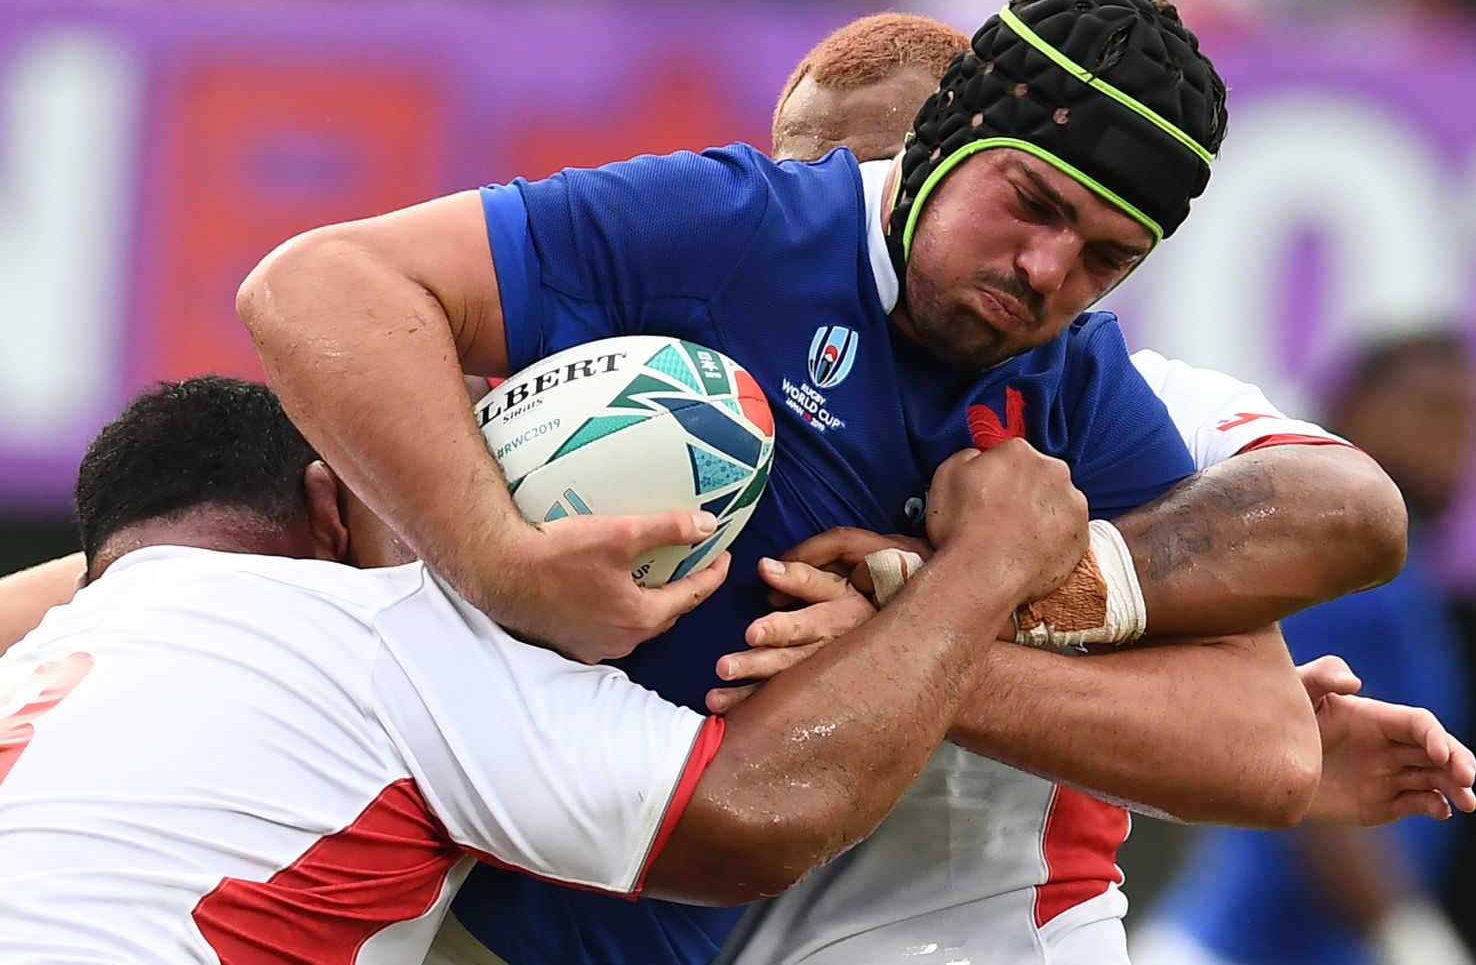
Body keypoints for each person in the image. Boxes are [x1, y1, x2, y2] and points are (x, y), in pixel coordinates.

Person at [238, 0, 1414, 963]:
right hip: (406, 873)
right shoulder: (737, 223)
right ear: (946, 140)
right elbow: (313, 289)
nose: (1048, 269)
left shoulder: (1077, 387)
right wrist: (505, 564)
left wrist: (929, 624)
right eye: (1030, 204)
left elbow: (1268, 744)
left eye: (1106, 255)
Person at [0, 375, 1088, 962]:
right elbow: (762, 812)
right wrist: (983, 570)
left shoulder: (44, 656)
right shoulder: (383, 638)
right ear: (333, 502)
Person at [1134, 333, 1476, 965]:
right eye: (1435, 407)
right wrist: (1407, 935)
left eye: (1473, 418)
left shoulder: (1412, 580)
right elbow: (1313, 744)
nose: (1457, 438)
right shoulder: (1348, 568)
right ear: (1354, 407)